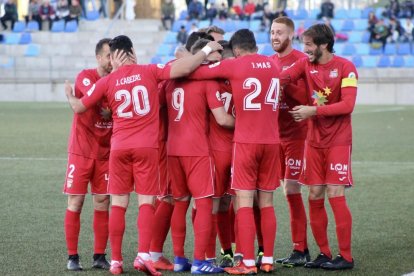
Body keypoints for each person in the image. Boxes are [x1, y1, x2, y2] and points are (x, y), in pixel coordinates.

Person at [64, 35, 223, 275]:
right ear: (132, 52)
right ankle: (143, 256)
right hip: (146, 148)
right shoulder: (149, 70)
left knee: (118, 203)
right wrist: (208, 48)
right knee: (146, 202)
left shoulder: (108, 80)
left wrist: (69, 94)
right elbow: (186, 66)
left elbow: (79, 107)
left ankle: (116, 261)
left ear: (115, 56)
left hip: (118, 148)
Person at [189, 29, 281, 274]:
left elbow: (197, 72)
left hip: (246, 141)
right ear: (255, 46)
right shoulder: (273, 65)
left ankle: (247, 262)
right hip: (272, 141)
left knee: (243, 201)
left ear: (237, 50)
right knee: (267, 203)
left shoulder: (235, 66)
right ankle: (269, 259)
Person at [280, 23, 357, 270]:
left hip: (338, 141)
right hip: (313, 142)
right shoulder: (305, 64)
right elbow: (285, 76)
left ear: (324, 44)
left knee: (335, 193)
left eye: (309, 45)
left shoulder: (346, 67)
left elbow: (347, 106)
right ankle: (324, 253)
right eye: (304, 44)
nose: (305, 49)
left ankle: (345, 257)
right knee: (314, 195)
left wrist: (313, 110)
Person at [165, 38, 234, 274]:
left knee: (180, 203)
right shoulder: (208, 82)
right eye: (215, 56)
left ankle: (178, 259)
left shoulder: (171, 81)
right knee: (205, 204)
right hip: (197, 150)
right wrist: (248, 124)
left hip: (172, 149)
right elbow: (223, 119)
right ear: (203, 58)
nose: (218, 62)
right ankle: (199, 262)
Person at [63, 38, 114, 272]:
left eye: (115, 55)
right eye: (108, 55)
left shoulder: (118, 79)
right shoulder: (85, 76)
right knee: (76, 200)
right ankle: (73, 257)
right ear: (98, 58)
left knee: (103, 201)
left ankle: (99, 256)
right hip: (81, 151)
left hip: (106, 152)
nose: (112, 60)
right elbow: (91, 99)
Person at [269, 16, 310, 268]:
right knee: (283, 191)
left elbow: (309, 96)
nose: (275, 36)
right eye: (272, 32)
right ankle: (298, 248)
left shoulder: (302, 62)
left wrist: (285, 87)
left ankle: (301, 248)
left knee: (292, 190)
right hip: (275, 136)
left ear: (291, 35)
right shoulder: (269, 62)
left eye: (280, 32)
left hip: (297, 134)